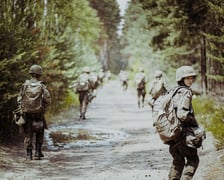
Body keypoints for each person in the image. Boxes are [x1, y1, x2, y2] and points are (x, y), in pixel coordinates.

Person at [168, 65, 200, 180]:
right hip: (183, 134)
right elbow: (182, 114)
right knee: (193, 160)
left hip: (172, 133)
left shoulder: (172, 91)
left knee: (177, 161)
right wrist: (195, 124)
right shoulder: (186, 92)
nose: (190, 80)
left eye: (192, 78)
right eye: (187, 78)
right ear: (181, 79)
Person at [17, 64, 51, 160]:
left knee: (28, 132)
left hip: (26, 113)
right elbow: (48, 100)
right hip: (38, 113)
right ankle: (37, 152)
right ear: (40, 74)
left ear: (30, 73)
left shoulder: (25, 85)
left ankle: (29, 154)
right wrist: (43, 108)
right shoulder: (42, 86)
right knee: (40, 131)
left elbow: (19, 99)